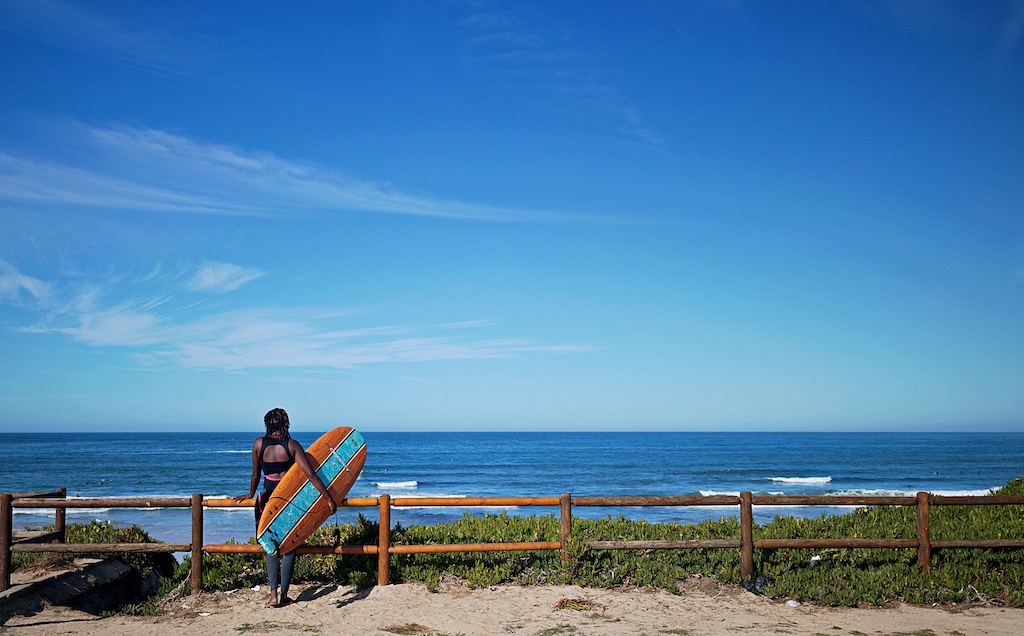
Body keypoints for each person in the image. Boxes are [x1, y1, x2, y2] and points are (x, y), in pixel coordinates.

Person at [234, 408, 337, 607]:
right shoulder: (292, 445)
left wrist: (249, 494)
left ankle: (273, 595)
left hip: (267, 500)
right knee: (290, 546)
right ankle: (283, 595)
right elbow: (310, 475)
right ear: (285, 424)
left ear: (267, 424)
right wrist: (328, 498)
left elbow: (255, 475)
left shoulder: (258, 444)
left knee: (270, 545)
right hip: (288, 500)